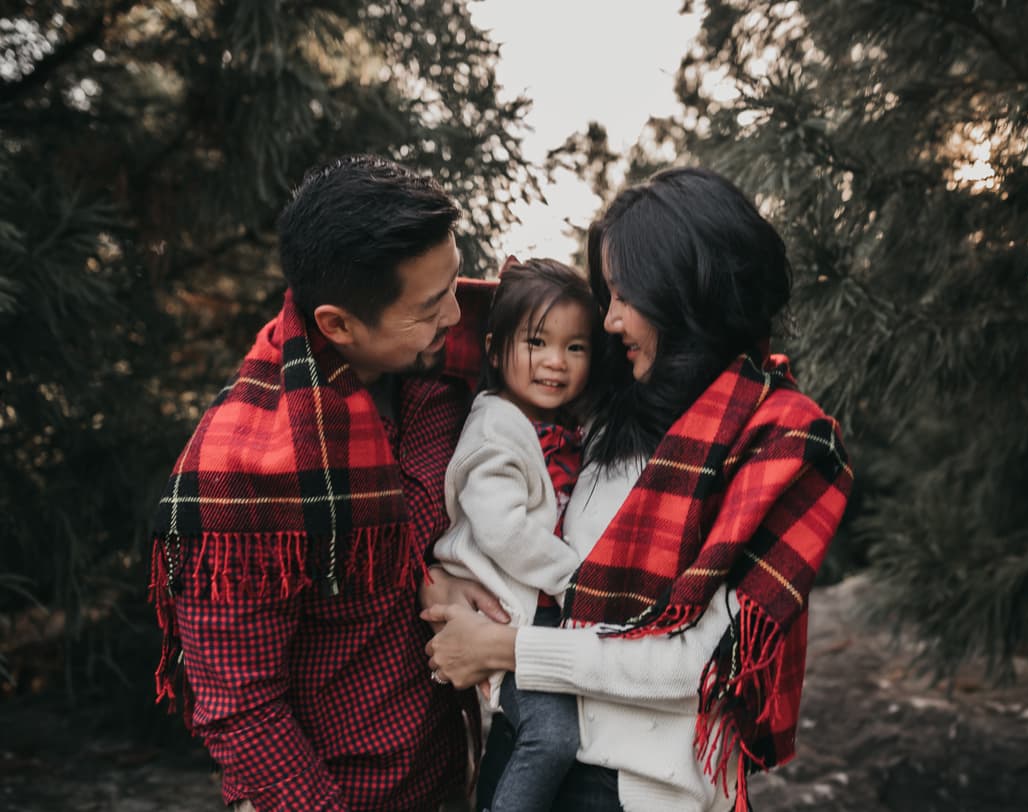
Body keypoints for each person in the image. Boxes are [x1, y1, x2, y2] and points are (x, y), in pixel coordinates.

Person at [423, 166, 854, 812]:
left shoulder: (776, 440)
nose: (611, 321)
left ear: (684, 292)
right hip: (524, 751)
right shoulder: (609, 412)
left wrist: (507, 647)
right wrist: (447, 580)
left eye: (624, 296)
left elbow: (698, 666)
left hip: (633, 791)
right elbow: (463, 329)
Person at [148, 154, 507, 812]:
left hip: (444, 776)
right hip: (335, 796)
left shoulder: (430, 371)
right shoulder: (242, 481)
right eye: (431, 307)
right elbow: (242, 711)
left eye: (455, 282)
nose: (458, 316)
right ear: (338, 325)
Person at [432, 258, 601, 812]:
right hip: (514, 608)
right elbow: (505, 531)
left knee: (546, 733)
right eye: (537, 342)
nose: (556, 362)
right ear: (496, 349)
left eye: (575, 347)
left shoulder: (562, 425)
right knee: (552, 737)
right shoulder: (495, 427)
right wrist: (580, 580)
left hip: (541, 607)